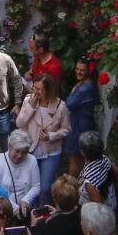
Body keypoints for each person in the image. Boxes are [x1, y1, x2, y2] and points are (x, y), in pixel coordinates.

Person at [16, 74, 70, 206]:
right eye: (35, 88)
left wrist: (50, 136)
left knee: (45, 187)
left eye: (40, 89)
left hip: (51, 151)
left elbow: (66, 129)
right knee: (31, 186)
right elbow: (19, 123)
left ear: (49, 90)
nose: (36, 92)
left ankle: (45, 212)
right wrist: (31, 107)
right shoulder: (29, 100)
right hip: (31, 149)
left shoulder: (61, 106)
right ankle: (32, 213)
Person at [0, 130, 41, 220]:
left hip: (25, 210)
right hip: (3, 209)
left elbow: (36, 186)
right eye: (17, 151)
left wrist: (26, 200)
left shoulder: (32, 160)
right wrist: (15, 208)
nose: (19, 155)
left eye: (24, 152)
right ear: (9, 147)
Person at [64, 59, 99, 178]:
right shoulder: (85, 84)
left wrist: (73, 90)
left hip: (78, 124)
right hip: (82, 122)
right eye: (77, 69)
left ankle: (71, 187)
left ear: (88, 71)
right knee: (79, 158)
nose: (78, 72)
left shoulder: (85, 87)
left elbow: (69, 102)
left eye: (82, 70)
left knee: (74, 158)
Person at [78, 131, 117, 211]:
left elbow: (99, 208)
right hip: (110, 201)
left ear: (82, 152)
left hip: (97, 215)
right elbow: (117, 174)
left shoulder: (89, 182)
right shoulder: (104, 158)